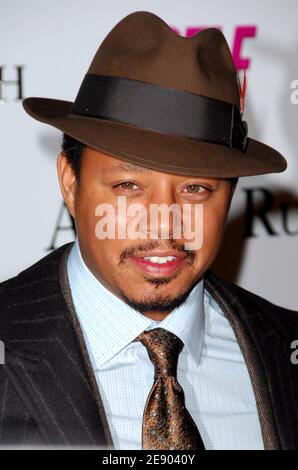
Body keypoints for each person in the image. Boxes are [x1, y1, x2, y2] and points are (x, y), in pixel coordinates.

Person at [0, 11, 297, 450]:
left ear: (231, 196)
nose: (164, 221)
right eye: (128, 186)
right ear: (70, 181)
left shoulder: (286, 348)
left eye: (195, 189)